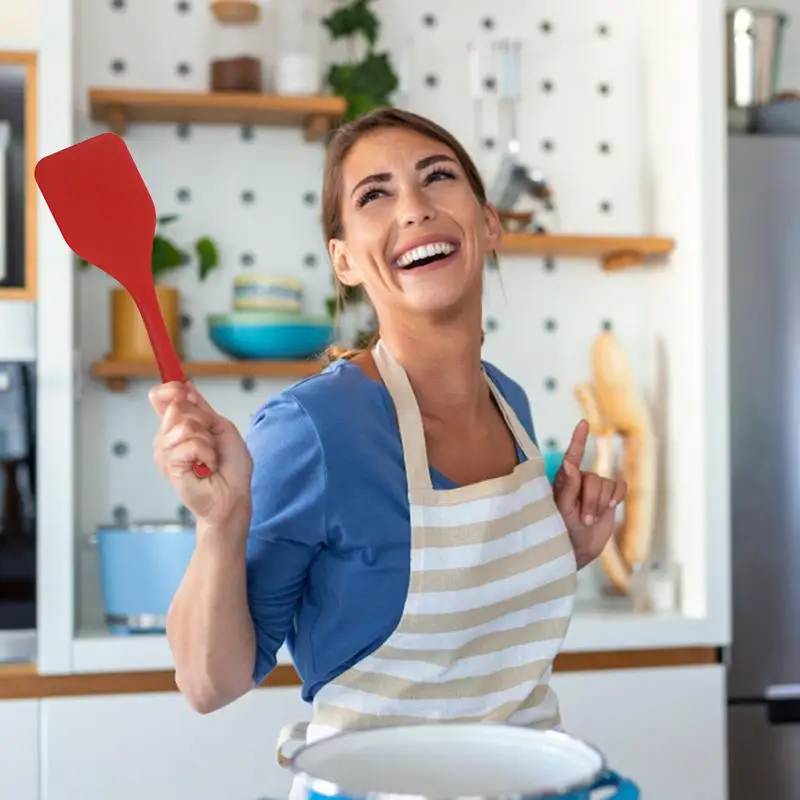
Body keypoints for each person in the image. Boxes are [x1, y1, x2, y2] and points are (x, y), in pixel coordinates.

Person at [149, 108, 626, 768]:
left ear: (489, 224)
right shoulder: (312, 431)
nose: (415, 208)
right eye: (376, 194)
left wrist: (558, 547)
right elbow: (209, 683)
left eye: (438, 177)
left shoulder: (509, 403)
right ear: (343, 260)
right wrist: (221, 523)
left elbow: (466, 638)